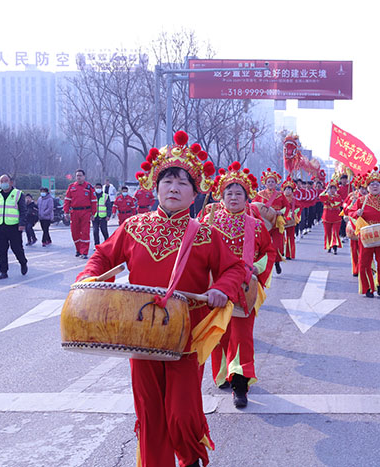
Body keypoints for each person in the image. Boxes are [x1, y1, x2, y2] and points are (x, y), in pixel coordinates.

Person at [77, 131, 245, 467]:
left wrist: (220, 289)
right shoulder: (134, 227)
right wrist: (88, 278)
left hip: (184, 337)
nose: (174, 188)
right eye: (167, 180)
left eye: (184, 183)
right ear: (155, 188)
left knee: (181, 414)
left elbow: (235, 269)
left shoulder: (206, 235)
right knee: (150, 414)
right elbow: (102, 256)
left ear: (195, 194)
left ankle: (190, 457)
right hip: (140, 338)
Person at [201, 161, 276, 408]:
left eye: (238, 194)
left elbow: (269, 251)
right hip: (214, 288)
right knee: (219, 333)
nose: (233, 198)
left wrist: (258, 267)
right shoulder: (208, 221)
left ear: (247, 198)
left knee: (242, 336)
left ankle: (240, 385)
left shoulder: (255, 225)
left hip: (244, 288)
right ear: (221, 197)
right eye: (229, 193)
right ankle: (222, 373)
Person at [350, 167, 380, 298]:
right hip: (367, 236)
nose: (375, 186)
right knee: (364, 262)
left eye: (377, 184)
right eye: (372, 184)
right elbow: (350, 213)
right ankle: (368, 287)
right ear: (367, 187)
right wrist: (356, 213)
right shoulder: (361, 201)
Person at [0, 174, 28, 279]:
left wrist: (22, 224)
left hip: (14, 227)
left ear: (11, 182)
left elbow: (23, 211)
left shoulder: (18, 194)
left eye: (6, 181)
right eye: (1, 182)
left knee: (17, 248)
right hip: (1, 226)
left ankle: (23, 262)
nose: (4, 183)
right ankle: (3, 271)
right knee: (1, 250)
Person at [252, 168, 290, 275]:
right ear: (265, 183)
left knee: (277, 245)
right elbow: (253, 207)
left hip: (276, 222)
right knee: (263, 244)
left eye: (272, 181)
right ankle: (263, 265)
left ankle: (277, 262)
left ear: (275, 183)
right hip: (264, 223)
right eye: (269, 182)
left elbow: (287, 207)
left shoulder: (280, 195)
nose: (270, 183)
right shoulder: (259, 195)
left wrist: (281, 213)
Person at [63, 169, 96, 259]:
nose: (78, 177)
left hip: (85, 212)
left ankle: (84, 252)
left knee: (85, 232)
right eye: (77, 175)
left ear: (84, 176)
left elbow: (93, 201)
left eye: (80, 175)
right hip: (74, 212)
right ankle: (78, 250)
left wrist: (93, 213)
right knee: (75, 232)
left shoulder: (89, 187)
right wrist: (66, 212)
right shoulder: (71, 187)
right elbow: (67, 200)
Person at [342, 175, 365, 277]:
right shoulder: (352, 196)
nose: (364, 190)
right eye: (362, 188)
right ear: (358, 187)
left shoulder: (370, 197)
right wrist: (352, 205)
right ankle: (356, 268)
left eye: (365, 188)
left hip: (365, 227)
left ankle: (364, 268)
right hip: (354, 225)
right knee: (354, 249)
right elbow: (345, 208)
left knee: (365, 250)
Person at [319, 178, 343, 254]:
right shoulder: (326, 195)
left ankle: (335, 247)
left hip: (336, 217)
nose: (332, 190)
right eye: (331, 188)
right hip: (326, 217)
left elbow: (336, 203)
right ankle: (328, 246)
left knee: (335, 232)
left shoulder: (338, 196)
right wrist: (325, 190)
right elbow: (320, 197)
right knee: (327, 232)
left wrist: (330, 197)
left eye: (334, 188)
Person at [281, 177, 300, 260]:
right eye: (286, 189)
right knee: (280, 236)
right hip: (281, 219)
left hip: (290, 219)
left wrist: (294, 213)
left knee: (290, 237)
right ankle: (281, 252)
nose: (288, 191)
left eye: (290, 189)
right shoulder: (280, 198)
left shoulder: (294, 200)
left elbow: (299, 208)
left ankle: (290, 254)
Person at [92, 183, 111, 248]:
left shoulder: (105, 196)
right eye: (97, 187)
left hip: (103, 216)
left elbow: (109, 206)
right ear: (95, 188)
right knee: (95, 231)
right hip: (95, 216)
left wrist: (108, 215)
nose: (98, 189)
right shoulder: (92, 196)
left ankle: (107, 244)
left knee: (104, 231)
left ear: (101, 188)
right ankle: (97, 245)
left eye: (99, 187)